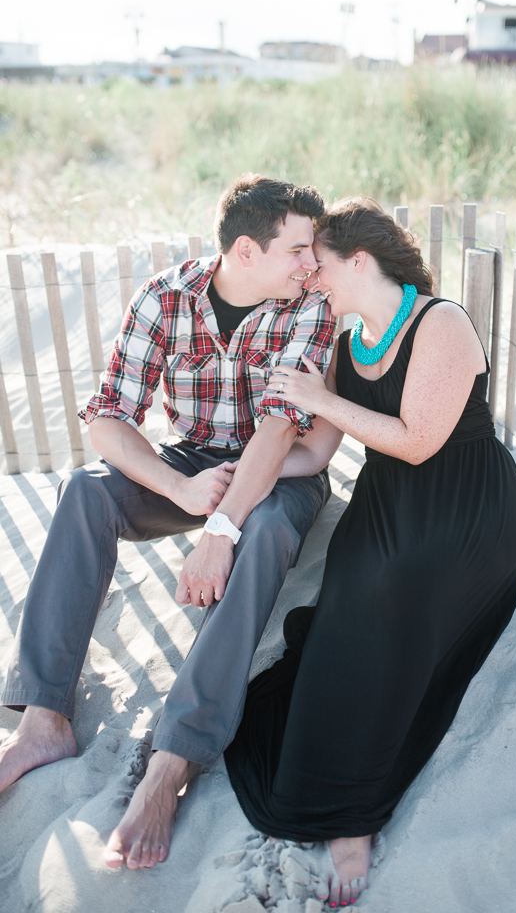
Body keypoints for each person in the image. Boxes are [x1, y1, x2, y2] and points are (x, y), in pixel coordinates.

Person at [0, 174, 342, 871]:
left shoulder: (309, 307)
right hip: (191, 460)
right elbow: (107, 420)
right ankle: (44, 719)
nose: (313, 264)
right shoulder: (164, 297)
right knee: (86, 492)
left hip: (279, 470)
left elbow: (281, 429)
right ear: (246, 251)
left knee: (269, 529)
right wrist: (180, 488)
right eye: (299, 249)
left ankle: (175, 756)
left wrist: (221, 530)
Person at [224, 198, 516, 908]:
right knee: (348, 603)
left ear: (359, 260)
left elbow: (419, 439)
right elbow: (317, 453)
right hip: (389, 498)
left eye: (322, 266)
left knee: (401, 592)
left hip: (467, 506)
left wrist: (321, 401)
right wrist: (243, 477)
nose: (313, 279)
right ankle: (329, 773)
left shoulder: (440, 322)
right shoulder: (344, 341)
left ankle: (353, 813)